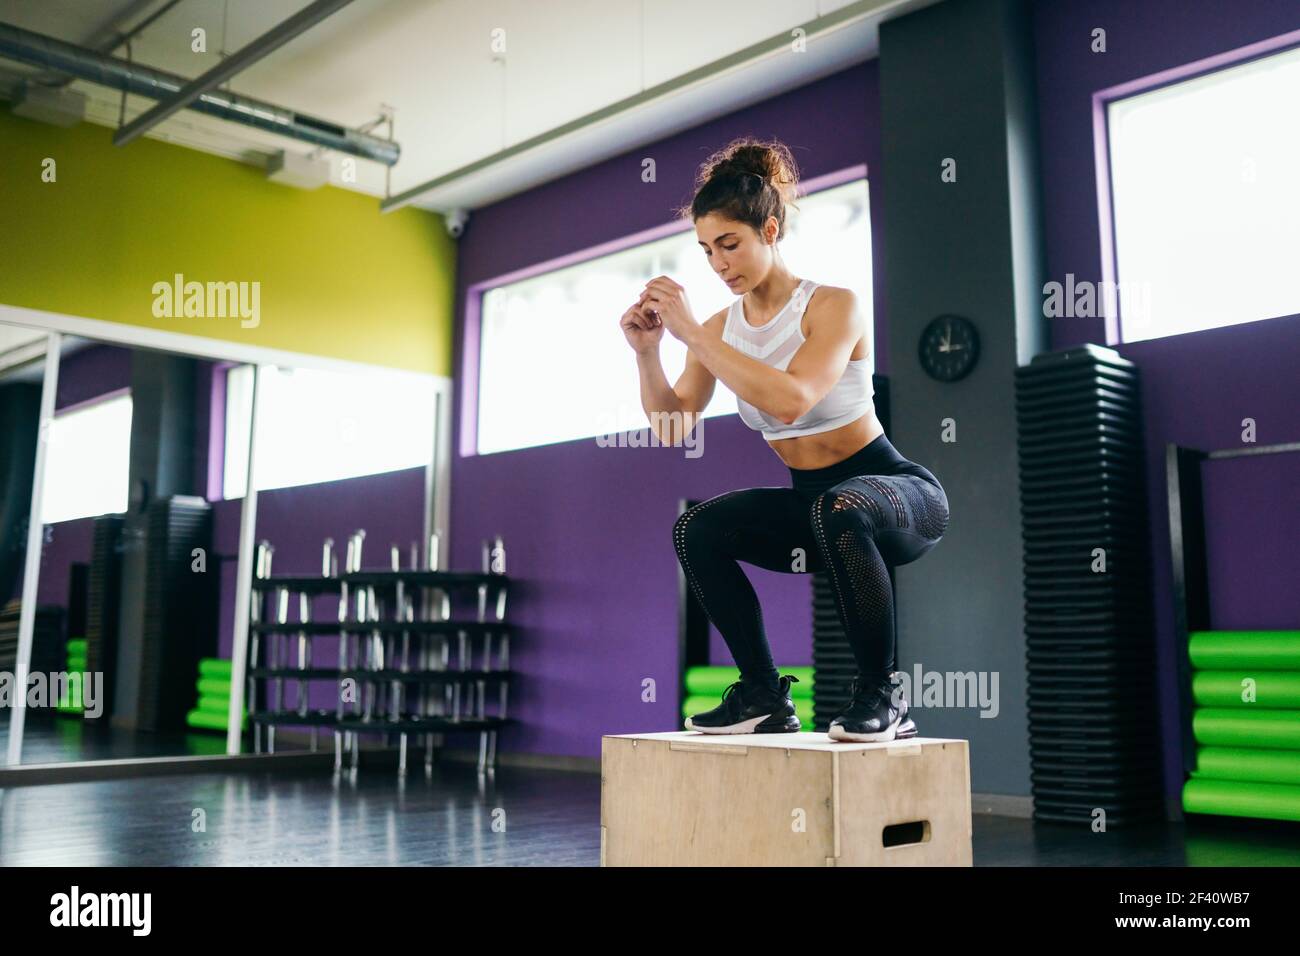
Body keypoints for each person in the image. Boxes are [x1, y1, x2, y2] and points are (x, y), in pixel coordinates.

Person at [619, 136, 949, 742]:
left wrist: (693, 334)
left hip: (898, 497)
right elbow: (673, 426)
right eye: (707, 250)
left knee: (839, 505)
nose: (719, 264)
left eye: (730, 244)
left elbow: (793, 400)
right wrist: (649, 356)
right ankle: (764, 694)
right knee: (696, 529)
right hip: (815, 510)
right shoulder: (720, 329)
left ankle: (884, 696)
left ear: (770, 230)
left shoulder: (834, 306)